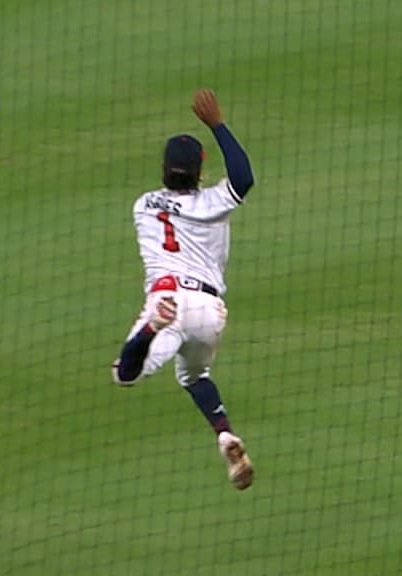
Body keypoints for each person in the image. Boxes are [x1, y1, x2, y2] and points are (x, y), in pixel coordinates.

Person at [111, 89, 255, 490]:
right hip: (210, 312)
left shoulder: (143, 205)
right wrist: (217, 124)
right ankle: (225, 434)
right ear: (199, 172)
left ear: (164, 169)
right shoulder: (212, 203)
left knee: (125, 374)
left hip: (168, 301)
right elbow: (244, 178)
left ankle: (150, 327)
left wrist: (159, 321)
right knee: (195, 377)